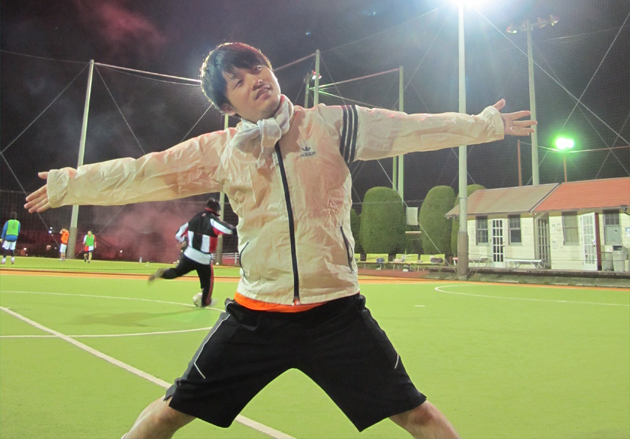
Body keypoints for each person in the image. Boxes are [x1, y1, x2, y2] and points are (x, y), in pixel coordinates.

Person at [26, 42, 536, 439]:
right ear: (227, 105)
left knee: (415, 413)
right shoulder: (221, 150)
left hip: (336, 313)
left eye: (257, 69)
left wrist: (484, 125)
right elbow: (144, 172)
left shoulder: (332, 124)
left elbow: (410, 130)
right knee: (170, 413)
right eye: (239, 82)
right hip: (255, 316)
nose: (256, 81)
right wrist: (71, 184)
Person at [148, 198, 235, 307]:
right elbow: (227, 229)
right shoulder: (213, 220)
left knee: (177, 272)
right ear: (217, 210)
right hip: (203, 259)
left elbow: (179, 232)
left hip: (189, 255)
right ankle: (205, 302)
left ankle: (162, 273)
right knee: (207, 283)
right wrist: (237, 230)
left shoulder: (195, 217)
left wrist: (181, 241)